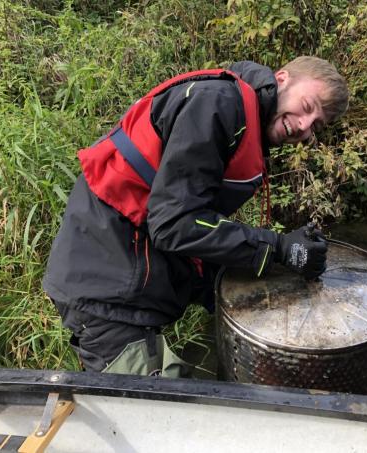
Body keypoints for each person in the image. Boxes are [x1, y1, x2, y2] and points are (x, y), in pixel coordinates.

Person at [42, 56, 349, 376]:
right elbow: (174, 224)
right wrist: (279, 248)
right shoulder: (219, 104)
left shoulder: (240, 116)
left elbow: (194, 225)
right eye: (307, 106)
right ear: (283, 78)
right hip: (105, 288)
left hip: (124, 273)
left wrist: (275, 275)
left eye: (316, 126)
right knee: (167, 414)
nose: (303, 126)